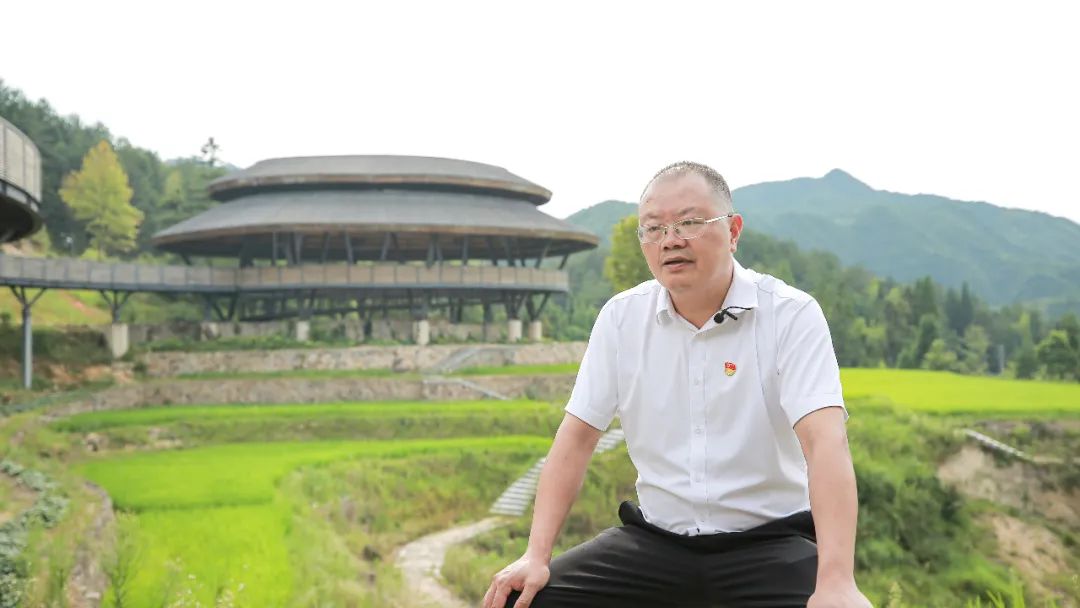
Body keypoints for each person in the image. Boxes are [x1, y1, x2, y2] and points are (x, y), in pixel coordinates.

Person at [483, 162, 871, 608]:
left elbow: (825, 443)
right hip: (655, 544)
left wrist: (837, 580)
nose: (671, 239)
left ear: (733, 230)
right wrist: (536, 554)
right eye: (653, 228)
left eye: (690, 222)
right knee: (522, 601)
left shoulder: (790, 314)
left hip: (771, 545)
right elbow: (576, 438)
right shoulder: (621, 319)